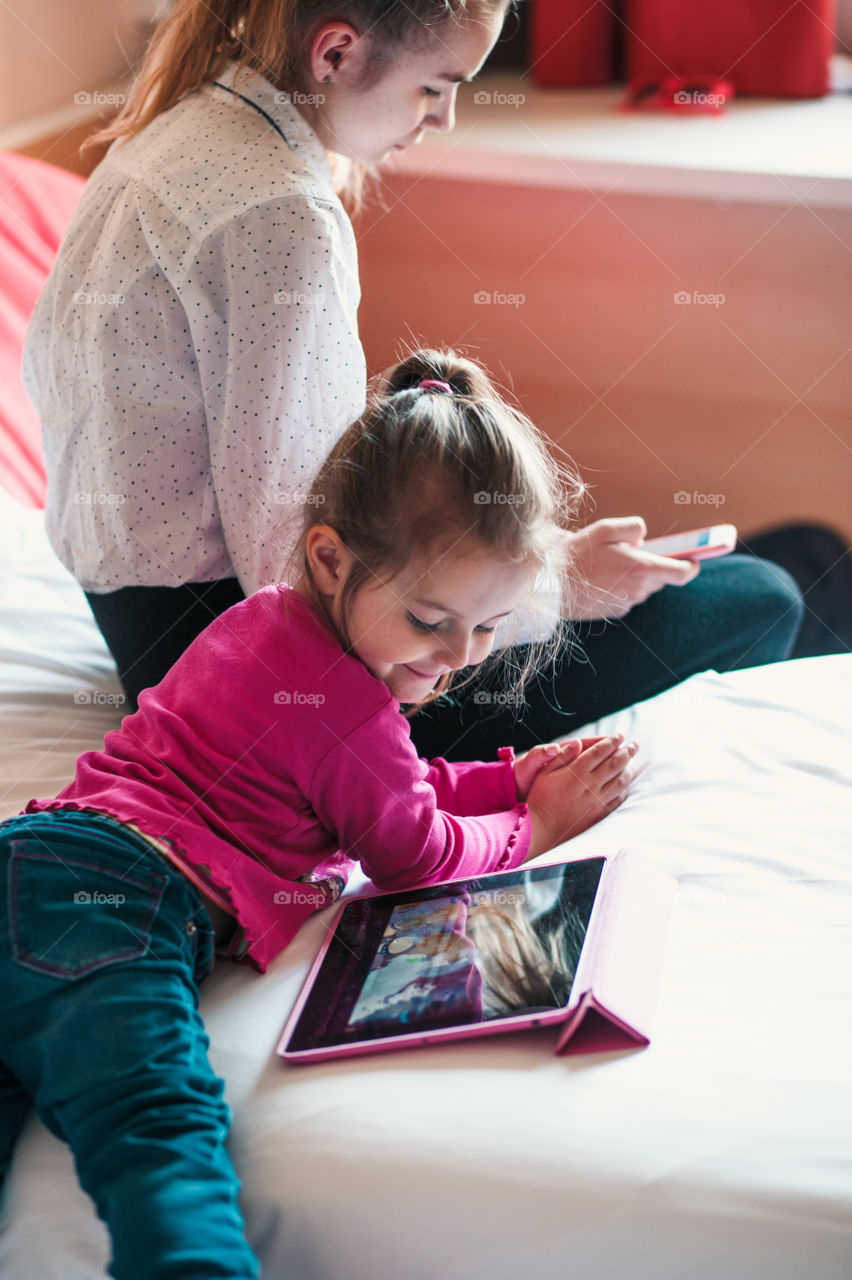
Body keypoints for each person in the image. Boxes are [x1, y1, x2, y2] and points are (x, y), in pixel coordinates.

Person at [0, 350, 637, 1279]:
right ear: (330, 555)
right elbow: (414, 854)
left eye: (489, 627)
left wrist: (506, 780)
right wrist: (536, 827)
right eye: (431, 621)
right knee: (157, 1133)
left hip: (40, 864)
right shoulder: (337, 702)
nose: (459, 656)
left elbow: (387, 781)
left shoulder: (271, 626)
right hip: (110, 900)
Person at [22, 0, 803, 746]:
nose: (441, 119)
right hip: (258, 681)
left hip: (152, 631)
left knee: (775, 556)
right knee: (763, 595)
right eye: (435, 86)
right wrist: (552, 587)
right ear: (333, 53)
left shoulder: (177, 128)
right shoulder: (278, 213)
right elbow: (299, 566)